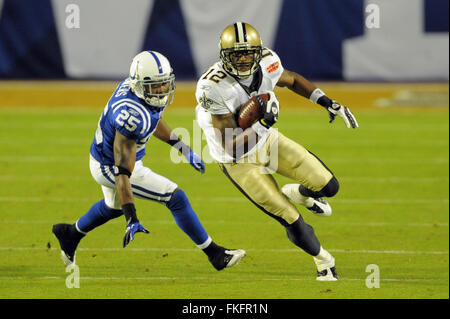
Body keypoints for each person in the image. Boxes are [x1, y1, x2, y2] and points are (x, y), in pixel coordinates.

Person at [52, 51, 245, 271]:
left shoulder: (140, 94)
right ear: (139, 85)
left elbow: (152, 120)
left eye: (164, 84)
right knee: (176, 198)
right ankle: (215, 255)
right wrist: (131, 217)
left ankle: (70, 234)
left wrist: (182, 147)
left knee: (112, 207)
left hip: (109, 157)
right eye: (156, 86)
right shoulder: (131, 115)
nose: (162, 90)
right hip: (110, 166)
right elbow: (122, 172)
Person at [195, 22, 358, 281]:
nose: (244, 59)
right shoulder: (213, 87)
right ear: (224, 56)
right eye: (236, 54)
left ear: (258, 51)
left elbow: (291, 79)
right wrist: (262, 124)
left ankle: (301, 193)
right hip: (236, 160)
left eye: (249, 52)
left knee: (329, 186)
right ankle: (323, 260)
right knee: (290, 217)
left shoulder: (268, 61)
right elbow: (230, 144)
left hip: (267, 141)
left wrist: (326, 101)